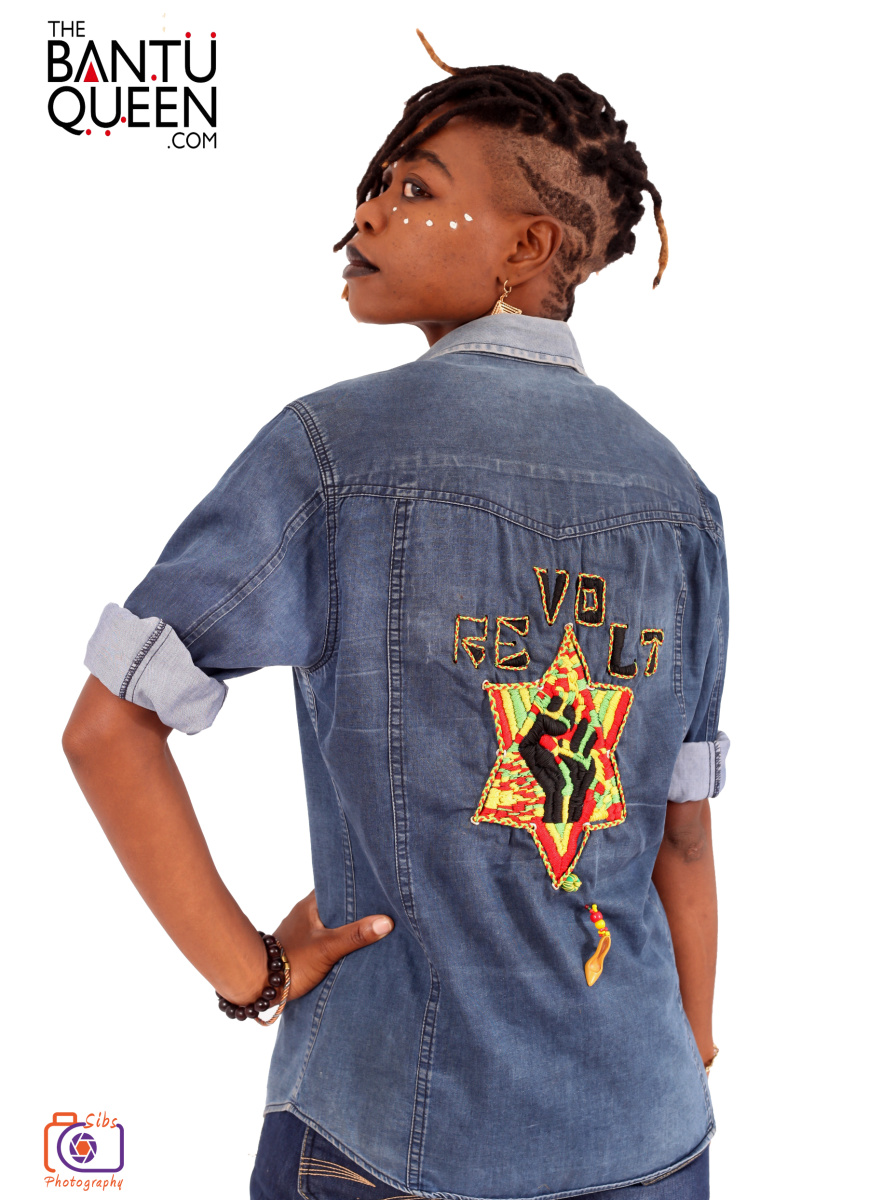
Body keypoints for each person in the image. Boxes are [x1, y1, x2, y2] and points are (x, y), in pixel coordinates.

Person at [63, 32, 729, 1200]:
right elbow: (682, 834)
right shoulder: (679, 498)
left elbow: (106, 728)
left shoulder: (331, 453)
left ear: (526, 247)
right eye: (377, 186)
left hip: (390, 1132)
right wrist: (692, 1045)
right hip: (651, 1133)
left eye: (415, 189)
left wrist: (255, 976)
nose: (368, 213)